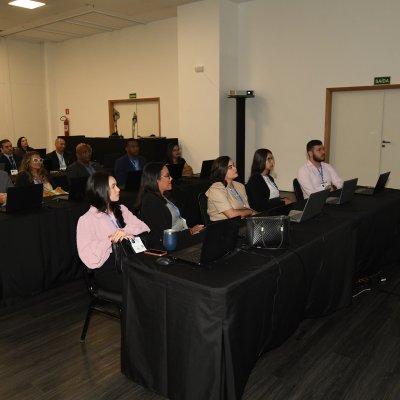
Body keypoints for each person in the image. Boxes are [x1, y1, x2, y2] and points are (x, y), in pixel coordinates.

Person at [77, 171, 149, 293]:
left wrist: (124, 231)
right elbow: (90, 259)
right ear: (101, 190)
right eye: (113, 186)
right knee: (144, 285)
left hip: (131, 261)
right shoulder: (86, 220)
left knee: (158, 279)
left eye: (117, 185)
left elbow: (144, 227)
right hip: (109, 270)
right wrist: (110, 239)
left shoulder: (121, 209)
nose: (118, 189)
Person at [138, 162, 203, 249]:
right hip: (170, 247)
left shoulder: (161, 196)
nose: (171, 178)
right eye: (167, 176)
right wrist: (190, 232)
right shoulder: (151, 202)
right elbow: (162, 237)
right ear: (156, 179)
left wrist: (190, 231)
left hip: (179, 238)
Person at [206, 156, 255, 221]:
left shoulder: (240, 185)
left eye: (234, 165)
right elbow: (232, 215)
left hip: (242, 223)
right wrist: (250, 211)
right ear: (222, 170)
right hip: (223, 227)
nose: (235, 168)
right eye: (230, 167)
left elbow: (246, 207)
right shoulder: (216, 189)